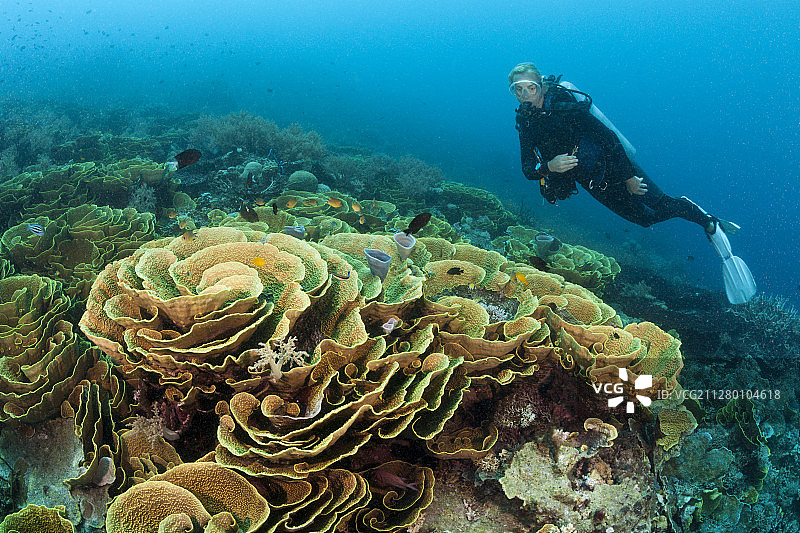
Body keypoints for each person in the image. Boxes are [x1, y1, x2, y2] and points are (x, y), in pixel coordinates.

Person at [509, 62, 756, 304]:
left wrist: (628, 178)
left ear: (541, 85)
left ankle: (706, 221)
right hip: (593, 182)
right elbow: (528, 169)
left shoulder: (566, 108)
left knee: (661, 204)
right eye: (517, 90)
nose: (525, 95)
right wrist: (549, 167)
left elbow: (609, 138)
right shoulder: (527, 123)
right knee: (646, 219)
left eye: (530, 87)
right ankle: (689, 210)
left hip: (617, 165)